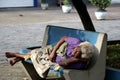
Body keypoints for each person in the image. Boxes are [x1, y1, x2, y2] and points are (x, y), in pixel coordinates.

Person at [5, 36, 94, 69]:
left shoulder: (79, 64)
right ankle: (17, 56)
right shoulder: (77, 42)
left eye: (76, 53)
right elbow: (63, 38)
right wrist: (53, 52)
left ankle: (16, 56)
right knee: (36, 53)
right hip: (54, 51)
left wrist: (74, 59)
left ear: (80, 57)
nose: (74, 51)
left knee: (36, 55)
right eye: (76, 48)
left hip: (52, 60)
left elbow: (61, 64)